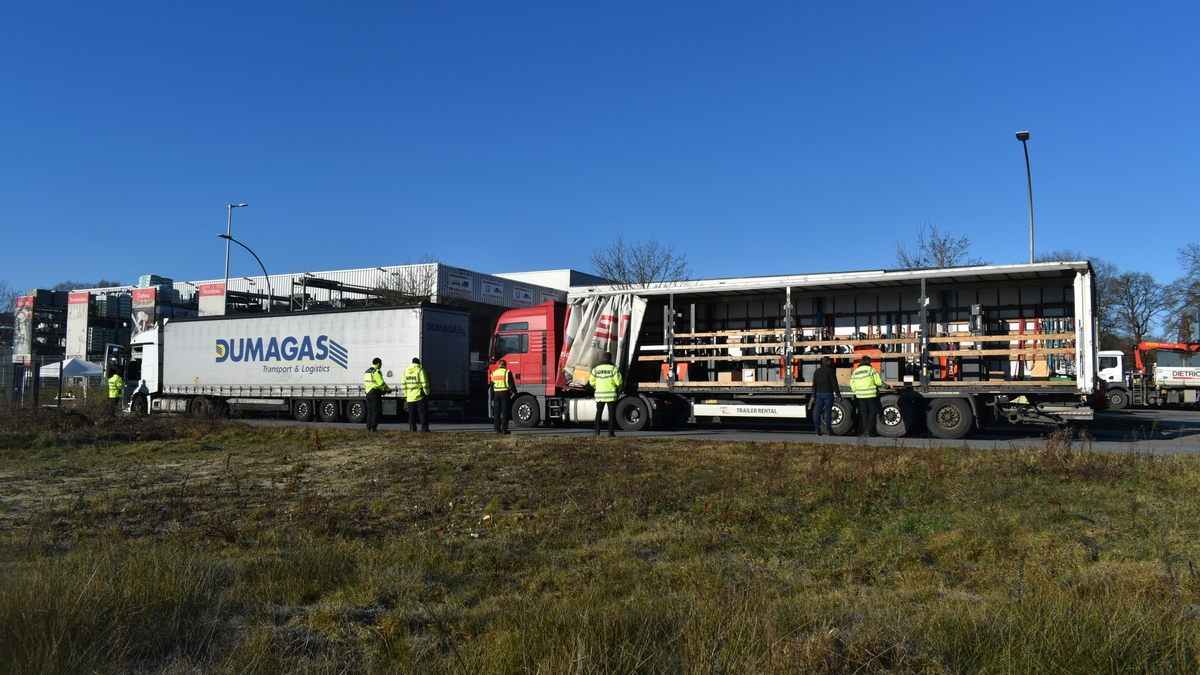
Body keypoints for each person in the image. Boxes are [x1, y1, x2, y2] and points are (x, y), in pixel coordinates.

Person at [850, 355, 889, 437]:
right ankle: (870, 431)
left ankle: (865, 431)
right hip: (870, 394)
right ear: (868, 361)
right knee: (873, 412)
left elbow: (852, 383)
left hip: (860, 395)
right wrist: (887, 386)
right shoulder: (871, 370)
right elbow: (878, 382)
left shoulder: (856, 371)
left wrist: (856, 392)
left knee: (864, 413)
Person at [589, 351, 623, 437]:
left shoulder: (596, 369)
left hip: (600, 395)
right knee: (611, 414)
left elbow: (591, 382)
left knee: (599, 413)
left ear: (602, 358)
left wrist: (598, 387)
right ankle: (610, 433)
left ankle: (597, 432)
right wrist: (618, 387)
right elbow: (618, 382)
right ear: (610, 359)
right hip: (611, 396)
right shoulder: (613, 369)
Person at [811, 356, 840, 436]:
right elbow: (834, 384)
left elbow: (814, 385)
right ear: (828, 362)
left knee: (818, 413)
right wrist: (838, 395)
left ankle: (817, 430)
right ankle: (828, 431)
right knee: (828, 412)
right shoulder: (831, 371)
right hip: (828, 393)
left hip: (819, 394)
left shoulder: (817, 371)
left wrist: (814, 395)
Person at [403, 357, 431, 432]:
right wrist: (427, 393)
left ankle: (413, 428)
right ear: (419, 363)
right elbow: (425, 384)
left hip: (410, 396)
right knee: (422, 413)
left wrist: (406, 395)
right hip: (419, 396)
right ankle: (424, 429)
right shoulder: (420, 371)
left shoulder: (406, 372)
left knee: (411, 413)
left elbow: (404, 385)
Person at [363, 357, 391, 431]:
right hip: (375, 393)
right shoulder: (376, 371)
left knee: (370, 410)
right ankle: (373, 427)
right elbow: (381, 382)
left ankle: (368, 427)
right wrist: (388, 389)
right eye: (381, 363)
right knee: (376, 410)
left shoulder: (367, 371)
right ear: (378, 363)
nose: (381, 364)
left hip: (368, 392)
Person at [490, 359, 515, 434]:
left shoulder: (494, 373)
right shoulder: (507, 372)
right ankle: (504, 429)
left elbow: (491, 385)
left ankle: (497, 429)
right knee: (505, 411)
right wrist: (515, 393)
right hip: (505, 393)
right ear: (505, 365)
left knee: (497, 411)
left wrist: (492, 396)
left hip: (496, 393)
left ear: (499, 365)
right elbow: (511, 384)